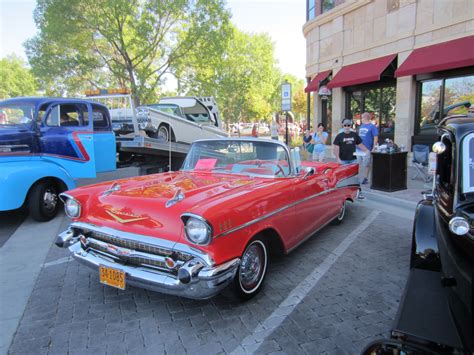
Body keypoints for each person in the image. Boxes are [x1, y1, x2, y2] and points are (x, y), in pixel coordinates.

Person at [357, 112, 379, 184]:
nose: (361, 119)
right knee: (357, 163)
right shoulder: (361, 126)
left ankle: (365, 178)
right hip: (359, 148)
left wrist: (374, 147)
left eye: (362, 118)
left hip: (367, 149)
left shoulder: (372, 127)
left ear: (365, 118)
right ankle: (356, 177)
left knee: (367, 164)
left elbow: (375, 137)